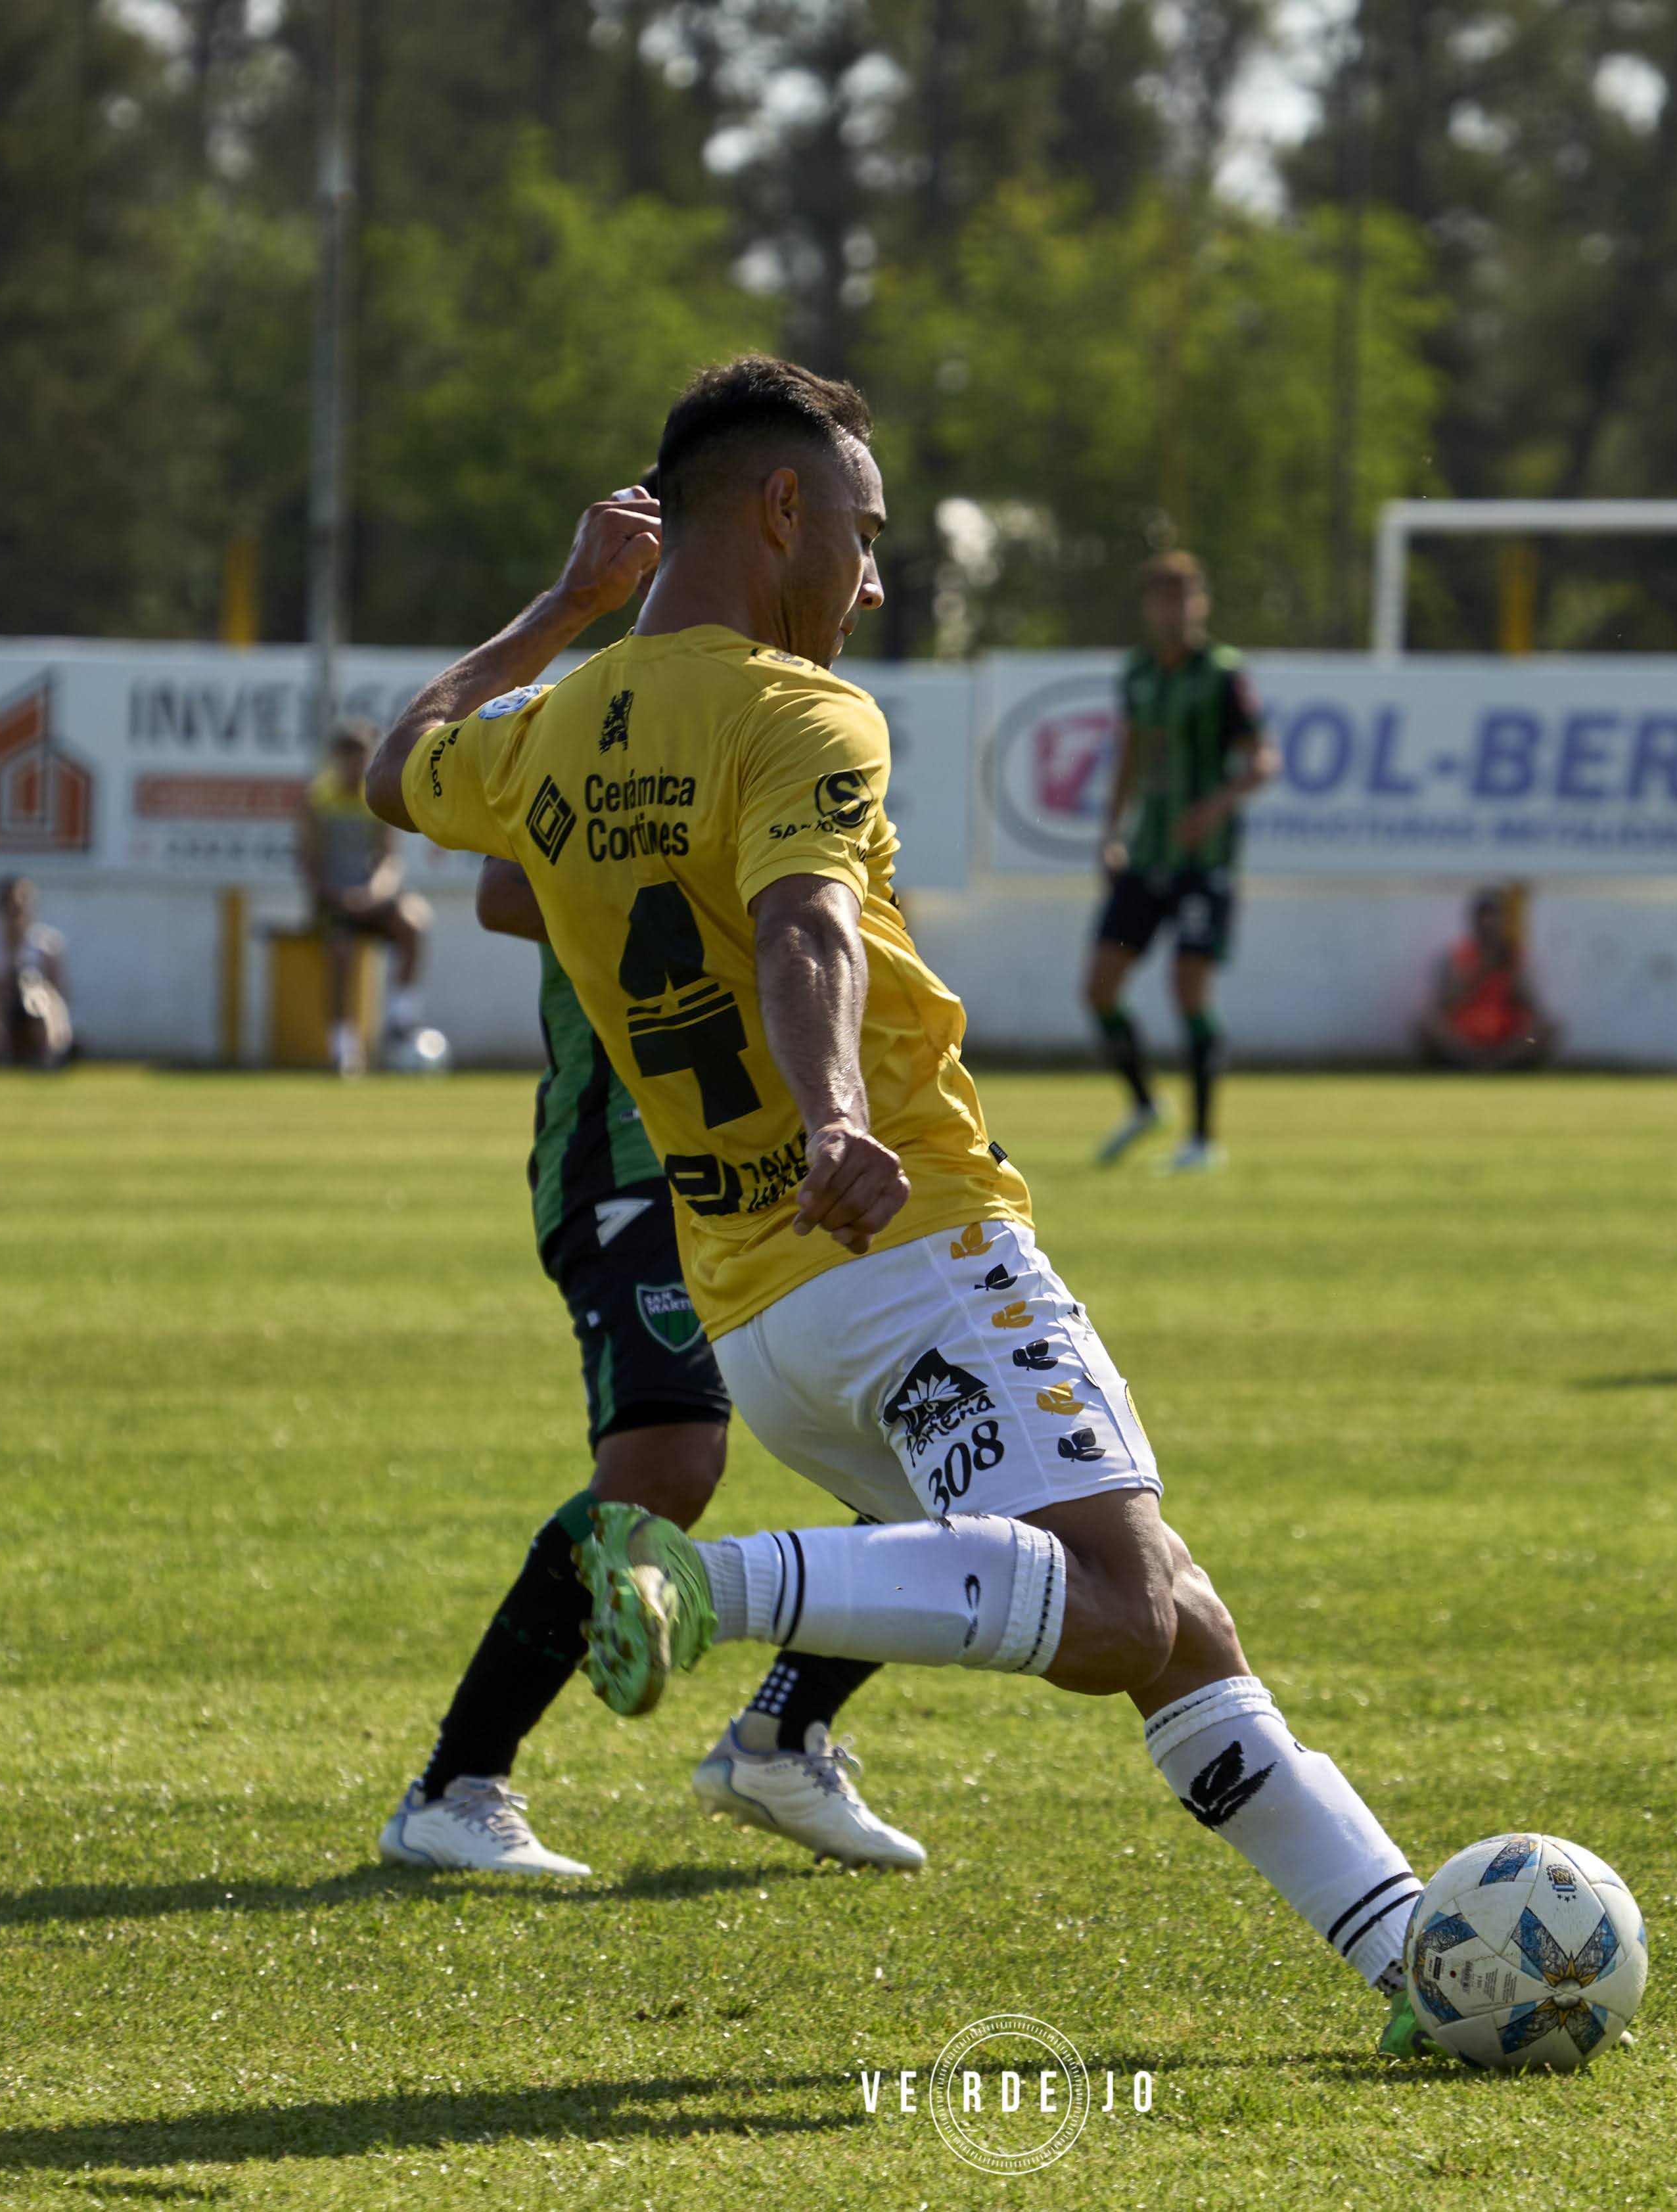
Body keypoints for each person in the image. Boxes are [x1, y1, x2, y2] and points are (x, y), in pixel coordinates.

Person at [363, 356, 1435, 2057]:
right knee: (1121, 1612)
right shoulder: (801, 711)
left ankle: (1413, 1952)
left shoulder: (559, 721)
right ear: (779, 508)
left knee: (1172, 1611)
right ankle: (704, 1593)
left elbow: (396, 765)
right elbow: (805, 925)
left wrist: (563, 609)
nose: (869, 580)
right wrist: (841, 1116)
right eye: (862, 534)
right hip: (912, 1236)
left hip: (758, 1309)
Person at [375, 860, 924, 1875]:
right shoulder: (601, 705)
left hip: (777, 1162)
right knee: (665, 1462)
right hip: (630, 1154)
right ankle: (454, 1787)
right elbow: (504, 890)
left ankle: (781, 1738)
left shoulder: (805, 742)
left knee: (931, 1443)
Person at [1084, 549, 1277, 1172]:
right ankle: (1144, 1104)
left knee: (1187, 991)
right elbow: (1130, 759)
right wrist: (1111, 832)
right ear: (1148, 605)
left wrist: (1213, 807)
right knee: (1099, 987)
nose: (1173, 608)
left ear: (1202, 603)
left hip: (1203, 860)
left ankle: (1201, 1139)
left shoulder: (1222, 673)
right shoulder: (1138, 672)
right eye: (1162, 596)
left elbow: (1262, 762)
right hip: (1145, 856)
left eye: (1184, 595)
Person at [299, 724, 431, 1075]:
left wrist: (375, 891)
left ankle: (400, 1019)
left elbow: (389, 857)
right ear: (336, 759)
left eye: (361, 756)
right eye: (348, 757)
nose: (355, 764)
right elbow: (308, 863)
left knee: (414, 921)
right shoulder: (318, 800)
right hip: (335, 902)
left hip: (372, 897)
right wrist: (339, 896)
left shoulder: (375, 796)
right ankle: (344, 1047)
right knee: (341, 950)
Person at [1417, 885, 1554, 1071]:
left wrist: (1511, 972)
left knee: (1545, 1029)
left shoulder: (1513, 957)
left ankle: (1495, 1063)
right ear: (1474, 921)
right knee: (1428, 1025)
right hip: (1465, 1037)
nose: (1489, 924)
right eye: (1484, 918)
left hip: (1505, 1036)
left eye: (1495, 918)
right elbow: (1446, 1005)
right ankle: (1480, 1063)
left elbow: (1532, 1007)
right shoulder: (1455, 957)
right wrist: (1482, 970)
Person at [0, 873, 72, 1069]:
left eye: (20, 909)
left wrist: (32, 986)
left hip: (35, 1014)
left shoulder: (48, 946)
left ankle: (51, 1052)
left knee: (40, 997)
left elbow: (61, 995)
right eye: (9, 909)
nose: (15, 916)